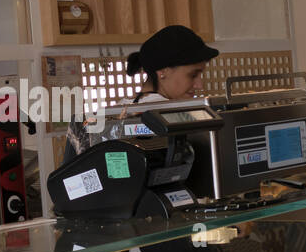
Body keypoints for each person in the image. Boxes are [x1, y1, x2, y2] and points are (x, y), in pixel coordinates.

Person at [63, 24, 218, 162]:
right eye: (192, 75)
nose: (199, 84)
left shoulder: (124, 109)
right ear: (163, 71)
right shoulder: (164, 114)